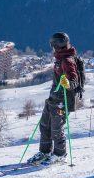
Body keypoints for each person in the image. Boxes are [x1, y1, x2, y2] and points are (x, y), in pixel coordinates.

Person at [27, 32, 80, 165]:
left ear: (57, 45)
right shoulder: (60, 58)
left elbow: (74, 80)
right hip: (53, 98)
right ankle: (45, 152)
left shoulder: (67, 60)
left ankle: (60, 154)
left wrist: (68, 84)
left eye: (53, 45)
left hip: (62, 101)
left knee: (57, 128)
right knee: (45, 125)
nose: (52, 48)